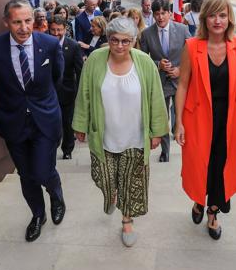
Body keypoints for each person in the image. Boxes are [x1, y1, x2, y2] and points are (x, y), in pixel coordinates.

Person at [72, 17, 169, 247]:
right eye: (114, 40)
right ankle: (110, 195)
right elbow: (84, 92)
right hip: (104, 136)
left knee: (130, 182)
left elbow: (156, 98)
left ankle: (127, 220)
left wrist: (157, 132)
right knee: (104, 178)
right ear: (108, 39)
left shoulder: (144, 63)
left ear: (134, 41)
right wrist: (80, 124)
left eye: (126, 41)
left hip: (135, 137)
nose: (119, 46)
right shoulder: (95, 60)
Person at [174, 0, 236, 240]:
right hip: (199, 120)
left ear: (229, 18)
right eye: (212, 15)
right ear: (204, 18)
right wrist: (178, 122)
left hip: (229, 120)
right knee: (203, 165)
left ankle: (213, 211)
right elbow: (182, 85)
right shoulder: (192, 46)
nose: (217, 20)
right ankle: (199, 201)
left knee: (222, 165)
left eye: (222, 15)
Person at [0, 0, 66, 243]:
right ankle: (38, 215)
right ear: (6, 22)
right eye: (17, 22)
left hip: (45, 120)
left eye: (28, 21)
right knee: (26, 175)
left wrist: (39, 103)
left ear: (35, 20)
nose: (23, 27)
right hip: (13, 121)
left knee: (42, 171)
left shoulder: (49, 44)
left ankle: (56, 195)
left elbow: (56, 78)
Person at [140, 0, 191, 162]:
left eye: (163, 13)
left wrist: (180, 70)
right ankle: (165, 151)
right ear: (153, 15)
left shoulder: (183, 30)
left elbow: (194, 55)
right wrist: (158, 65)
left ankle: (185, 143)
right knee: (162, 118)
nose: (160, 17)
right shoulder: (147, 34)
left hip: (180, 82)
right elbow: (142, 60)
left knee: (181, 116)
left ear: (170, 13)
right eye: (157, 14)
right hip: (159, 82)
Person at [48, 15, 83, 160]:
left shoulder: (73, 45)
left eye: (59, 30)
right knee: (51, 121)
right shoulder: (44, 43)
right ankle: (51, 146)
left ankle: (67, 149)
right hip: (49, 91)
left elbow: (79, 70)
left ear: (65, 29)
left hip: (68, 91)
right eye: (53, 30)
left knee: (67, 122)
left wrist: (81, 92)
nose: (56, 33)